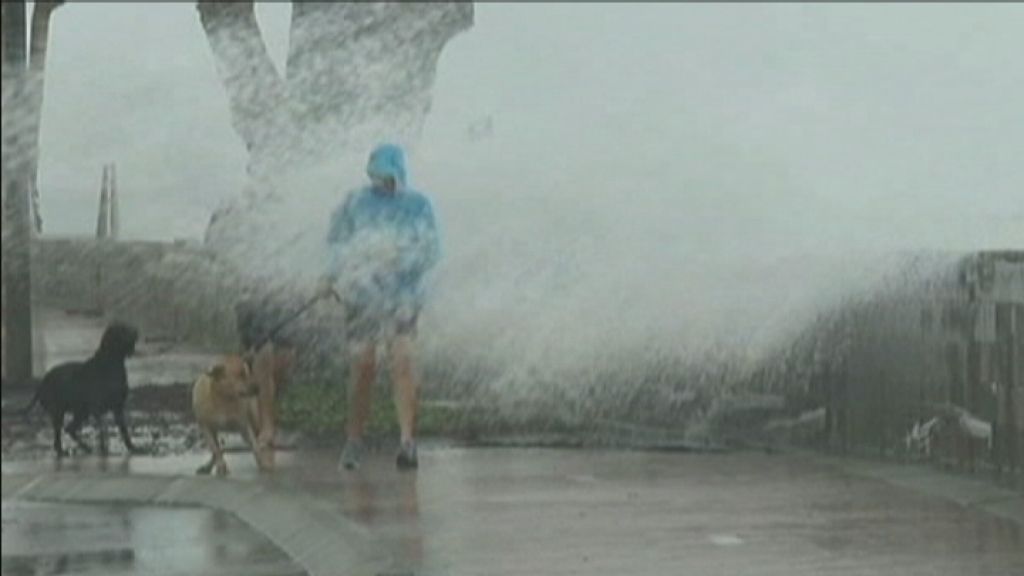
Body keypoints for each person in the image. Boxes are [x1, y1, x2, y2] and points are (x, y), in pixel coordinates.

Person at [317, 144, 440, 471]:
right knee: (363, 363)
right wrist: (329, 277)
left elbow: (430, 250)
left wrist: (399, 259)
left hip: (403, 298)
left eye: (388, 176)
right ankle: (354, 440)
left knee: (403, 360)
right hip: (362, 297)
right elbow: (336, 244)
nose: (382, 182)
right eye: (377, 175)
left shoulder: (418, 205)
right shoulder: (354, 203)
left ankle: (407, 442)